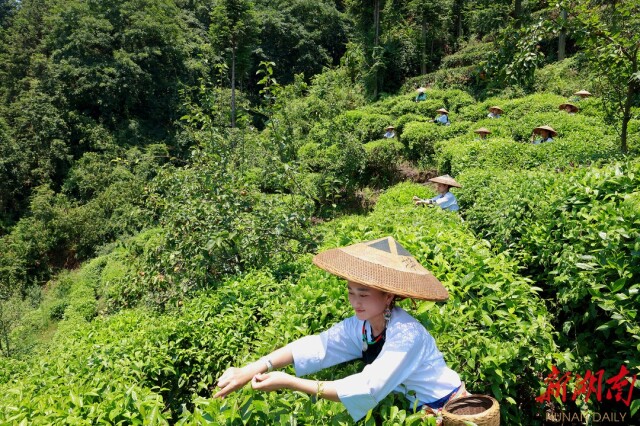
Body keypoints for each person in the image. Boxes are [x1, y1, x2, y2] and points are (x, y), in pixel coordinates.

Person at [214, 236, 466, 422]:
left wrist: (290, 382)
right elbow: (318, 345)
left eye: (364, 294)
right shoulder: (363, 326)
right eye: (351, 292)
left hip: (450, 407)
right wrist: (252, 368)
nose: (355, 302)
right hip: (418, 409)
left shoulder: (407, 334)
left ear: (388, 296)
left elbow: (368, 387)